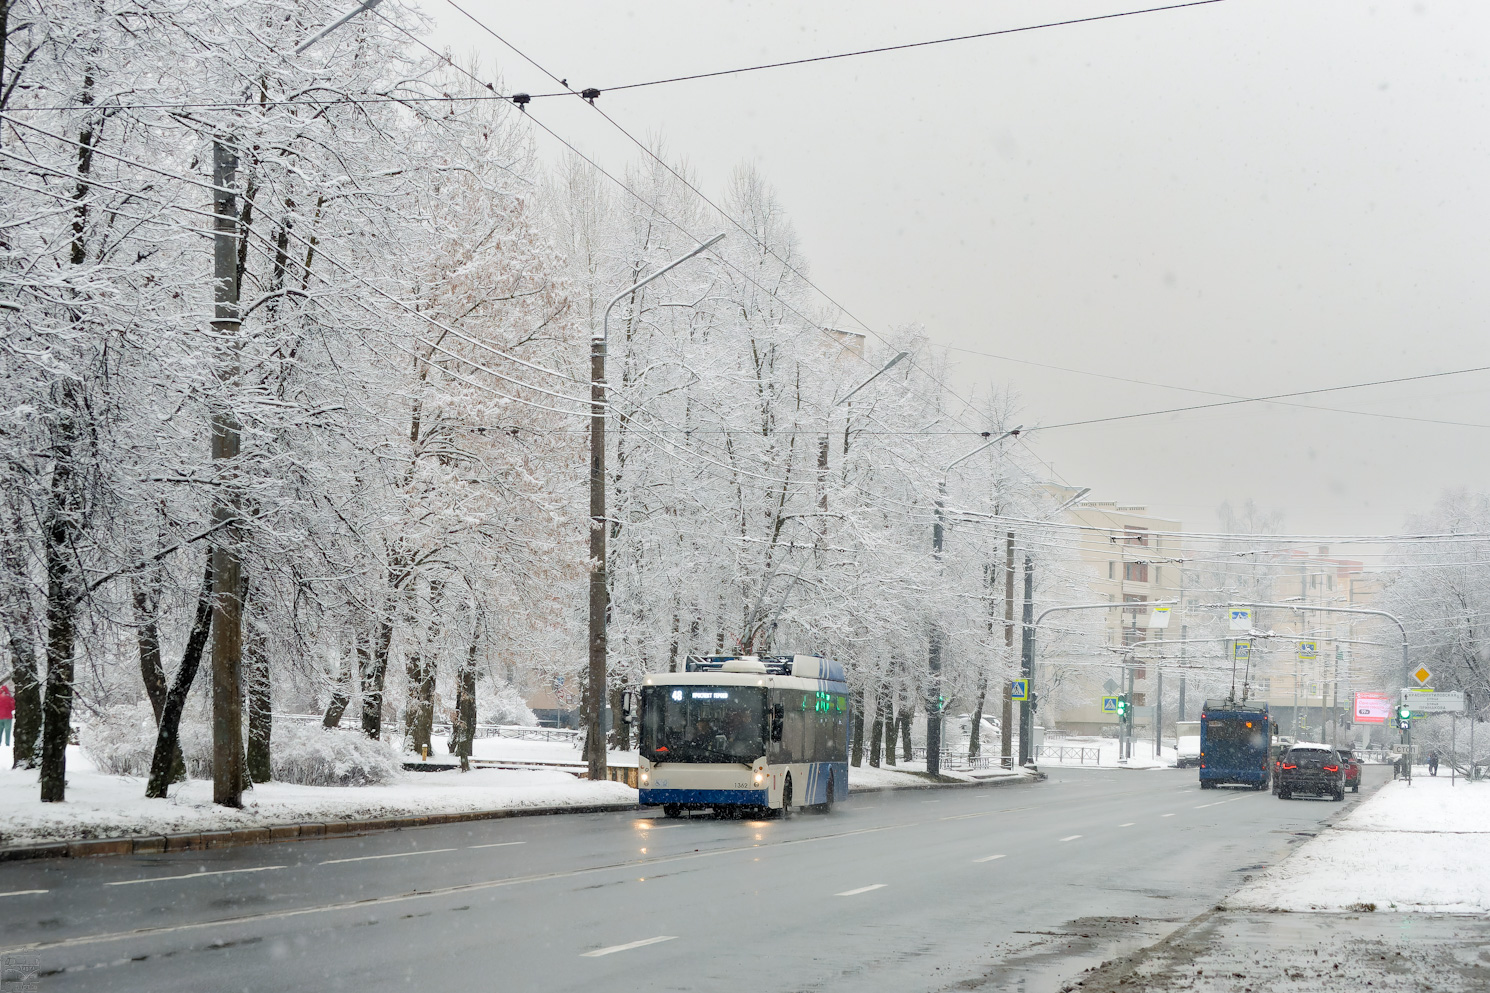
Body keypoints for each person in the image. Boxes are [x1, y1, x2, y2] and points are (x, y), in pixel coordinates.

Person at [0, 683, 13, 747]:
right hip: (8, 717)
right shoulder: (9, 697)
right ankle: (7, 743)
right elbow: (13, 707)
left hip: (0, 717)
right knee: (7, 731)